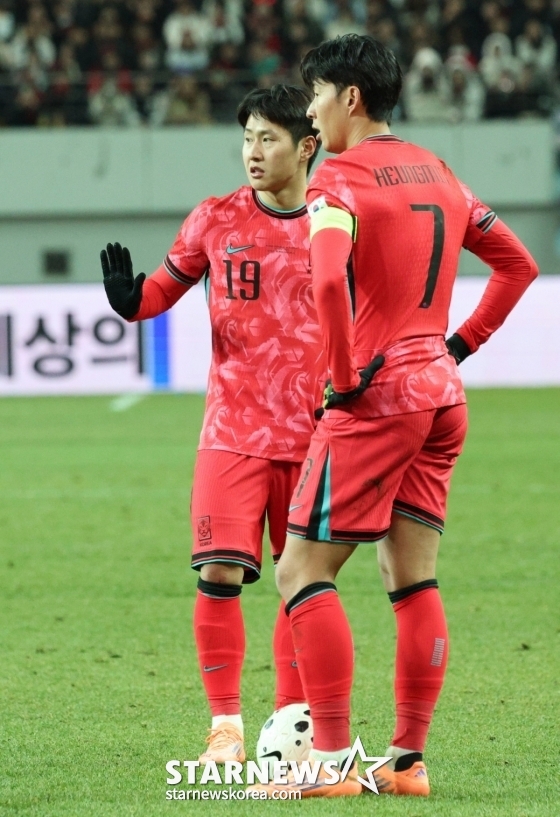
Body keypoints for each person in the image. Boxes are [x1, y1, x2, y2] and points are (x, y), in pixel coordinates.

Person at [249, 34, 538, 799]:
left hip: (377, 398)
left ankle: (331, 764)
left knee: (301, 568)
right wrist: (461, 344)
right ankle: (407, 763)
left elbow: (325, 282)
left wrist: (343, 378)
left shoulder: (336, 181)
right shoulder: (438, 169)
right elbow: (519, 264)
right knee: (411, 576)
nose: (307, 112)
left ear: (350, 97)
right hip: (442, 394)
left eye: (314, 95)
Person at [99, 85, 324, 765]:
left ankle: (291, 729)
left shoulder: (339, 222)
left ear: (306, 146)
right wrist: (131, 301)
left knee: (302, 581)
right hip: (232, 428)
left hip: (316, 435)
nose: (254, 153)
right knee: (219, 572)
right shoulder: (214, 218)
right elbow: (161, 291)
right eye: (248, 138)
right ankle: (225, 730)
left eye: (269, 139)